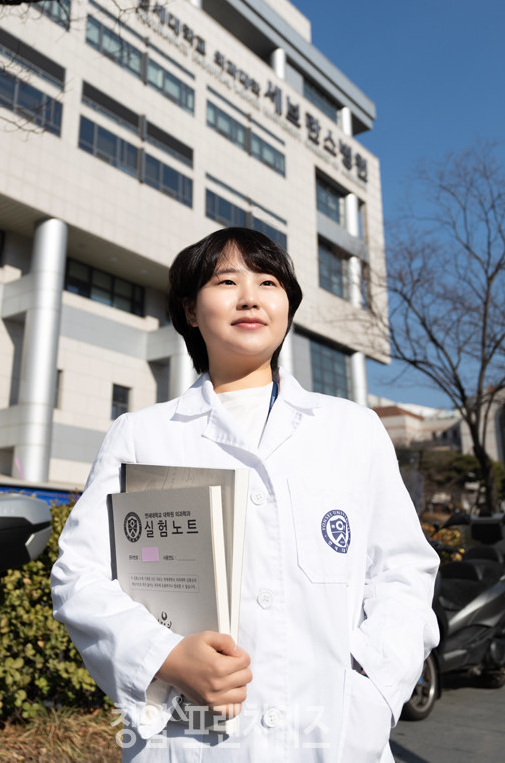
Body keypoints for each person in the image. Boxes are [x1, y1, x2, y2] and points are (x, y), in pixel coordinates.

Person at [51, 227, 439, 762]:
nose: (250, 296)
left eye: (268, 282)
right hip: (193, 741)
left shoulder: (354, 430)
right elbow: (80, 577)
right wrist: (164, 658)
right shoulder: (143, 436)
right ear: (190, 310)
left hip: (336, 738)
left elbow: (402, 573)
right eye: (226, 281)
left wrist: (374, 691)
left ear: (286, 306)